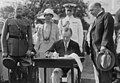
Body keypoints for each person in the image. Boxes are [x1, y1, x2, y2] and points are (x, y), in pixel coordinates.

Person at [1, 4, 33, 83]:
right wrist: (4, 50)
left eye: (21, 9)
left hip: (23, 50)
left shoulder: (27, 22)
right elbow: (3, 37)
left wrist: (29, 49)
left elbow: (30, 37)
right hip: (12, 49)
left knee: (25, 71)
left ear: (23, 11)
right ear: (14, 10)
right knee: (12, 72)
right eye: (18, 9)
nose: (19, 10)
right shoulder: (8, 21)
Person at [88, 2, 115, 83]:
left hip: (104, 51)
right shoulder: (95, 19)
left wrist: (104, 45)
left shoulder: (106, 15)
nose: (90, 12)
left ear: (97, 7)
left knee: (105, 75)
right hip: (95, 51)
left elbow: (108, 31)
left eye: (91, 10)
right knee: (99, 76)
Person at [34, 8, 59, 83]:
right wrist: (36, 50)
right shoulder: (40, 27)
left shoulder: (56, 27)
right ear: (44, 17)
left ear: (52, 17)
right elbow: (38, 40)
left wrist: (57, 51)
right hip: (42, 51)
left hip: (52, 52)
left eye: (50, 15)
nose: (48, 17)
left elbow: (57, 40)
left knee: (52, 72)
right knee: (42, 72)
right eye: (46, 15)